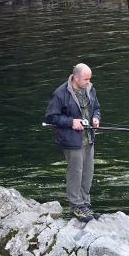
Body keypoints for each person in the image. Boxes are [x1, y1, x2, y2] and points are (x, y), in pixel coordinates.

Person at [45, 63, 101, 222]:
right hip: (71, 140)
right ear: (76, 77)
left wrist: (96, 118)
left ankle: (85, 204)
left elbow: (96, 108)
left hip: (88, 138)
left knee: (88, 172)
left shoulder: (90, 89)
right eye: (86, 79)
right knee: (76, 172)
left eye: (90, 79)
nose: (88, 82)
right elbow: (51, 117)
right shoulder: (60, 93)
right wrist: (71, 122)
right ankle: (76, 206)